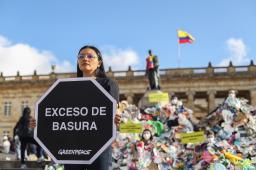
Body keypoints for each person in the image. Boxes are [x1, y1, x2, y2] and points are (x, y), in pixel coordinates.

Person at [30, 45, 121, 170]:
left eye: (90, 56)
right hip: (73, 146)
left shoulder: (108, 84)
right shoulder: (69, 87)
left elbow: (114, 109)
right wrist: (41, 122)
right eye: (81, 56)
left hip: (100, 146)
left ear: (99, 62)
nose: (85, 59)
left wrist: (118, 117)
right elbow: (60, 114)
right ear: (78, 62)